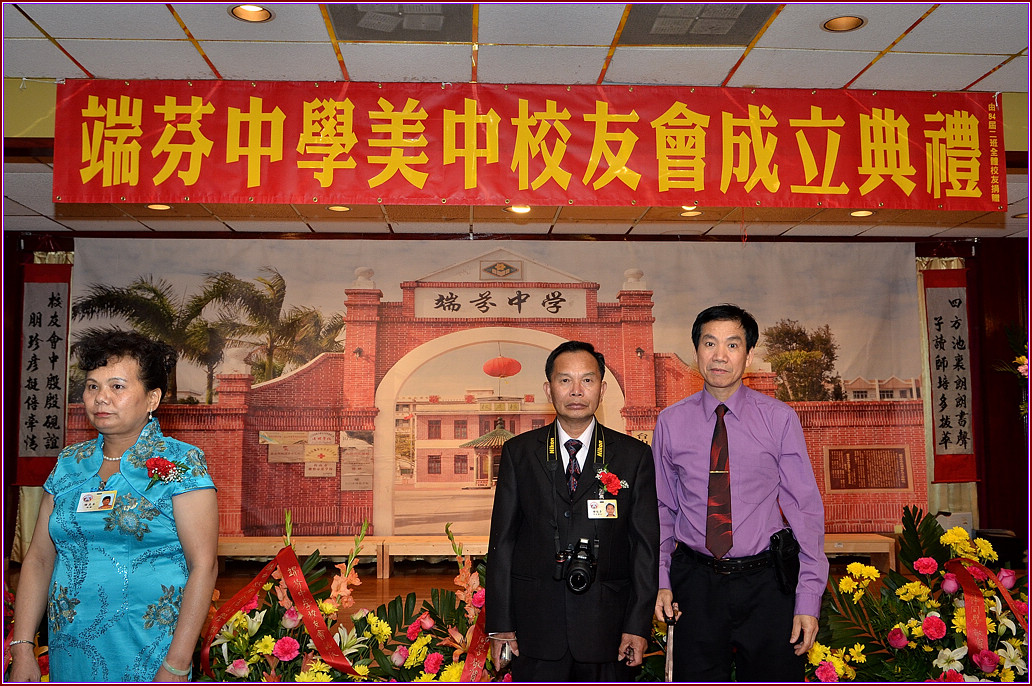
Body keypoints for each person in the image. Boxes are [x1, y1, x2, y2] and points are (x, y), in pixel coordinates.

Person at [9, 330, 219, 682]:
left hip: (150, 651)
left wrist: (177, 664)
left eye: (117, 386)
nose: (101, 398)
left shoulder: (180, 463)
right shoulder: (69, 463)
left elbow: (204, 566)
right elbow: (40, 559)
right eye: (92, 386)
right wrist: (22, 647)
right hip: (69, 651)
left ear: (152, 398)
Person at [653, 304, 828, 682]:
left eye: (732, 345)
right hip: (694, 584)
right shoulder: (670, 422)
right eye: (709, 343)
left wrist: (808, 598)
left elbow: (805, 510)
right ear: (696, 351)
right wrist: (662, 581)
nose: (719, 355)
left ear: (748, 356)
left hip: (766, 584)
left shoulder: (779, 419)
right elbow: (662, 509)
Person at [487, 340, 659, 681]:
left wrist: (637, 625)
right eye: (565, 380)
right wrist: (501, 625)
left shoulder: (633, 455)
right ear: (548, 389)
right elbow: (502, 543)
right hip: (536, 628)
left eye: (587, 380)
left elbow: (644, 548)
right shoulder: (520, 453)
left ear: (602, 389)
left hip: (608, 629)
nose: (576, 391)